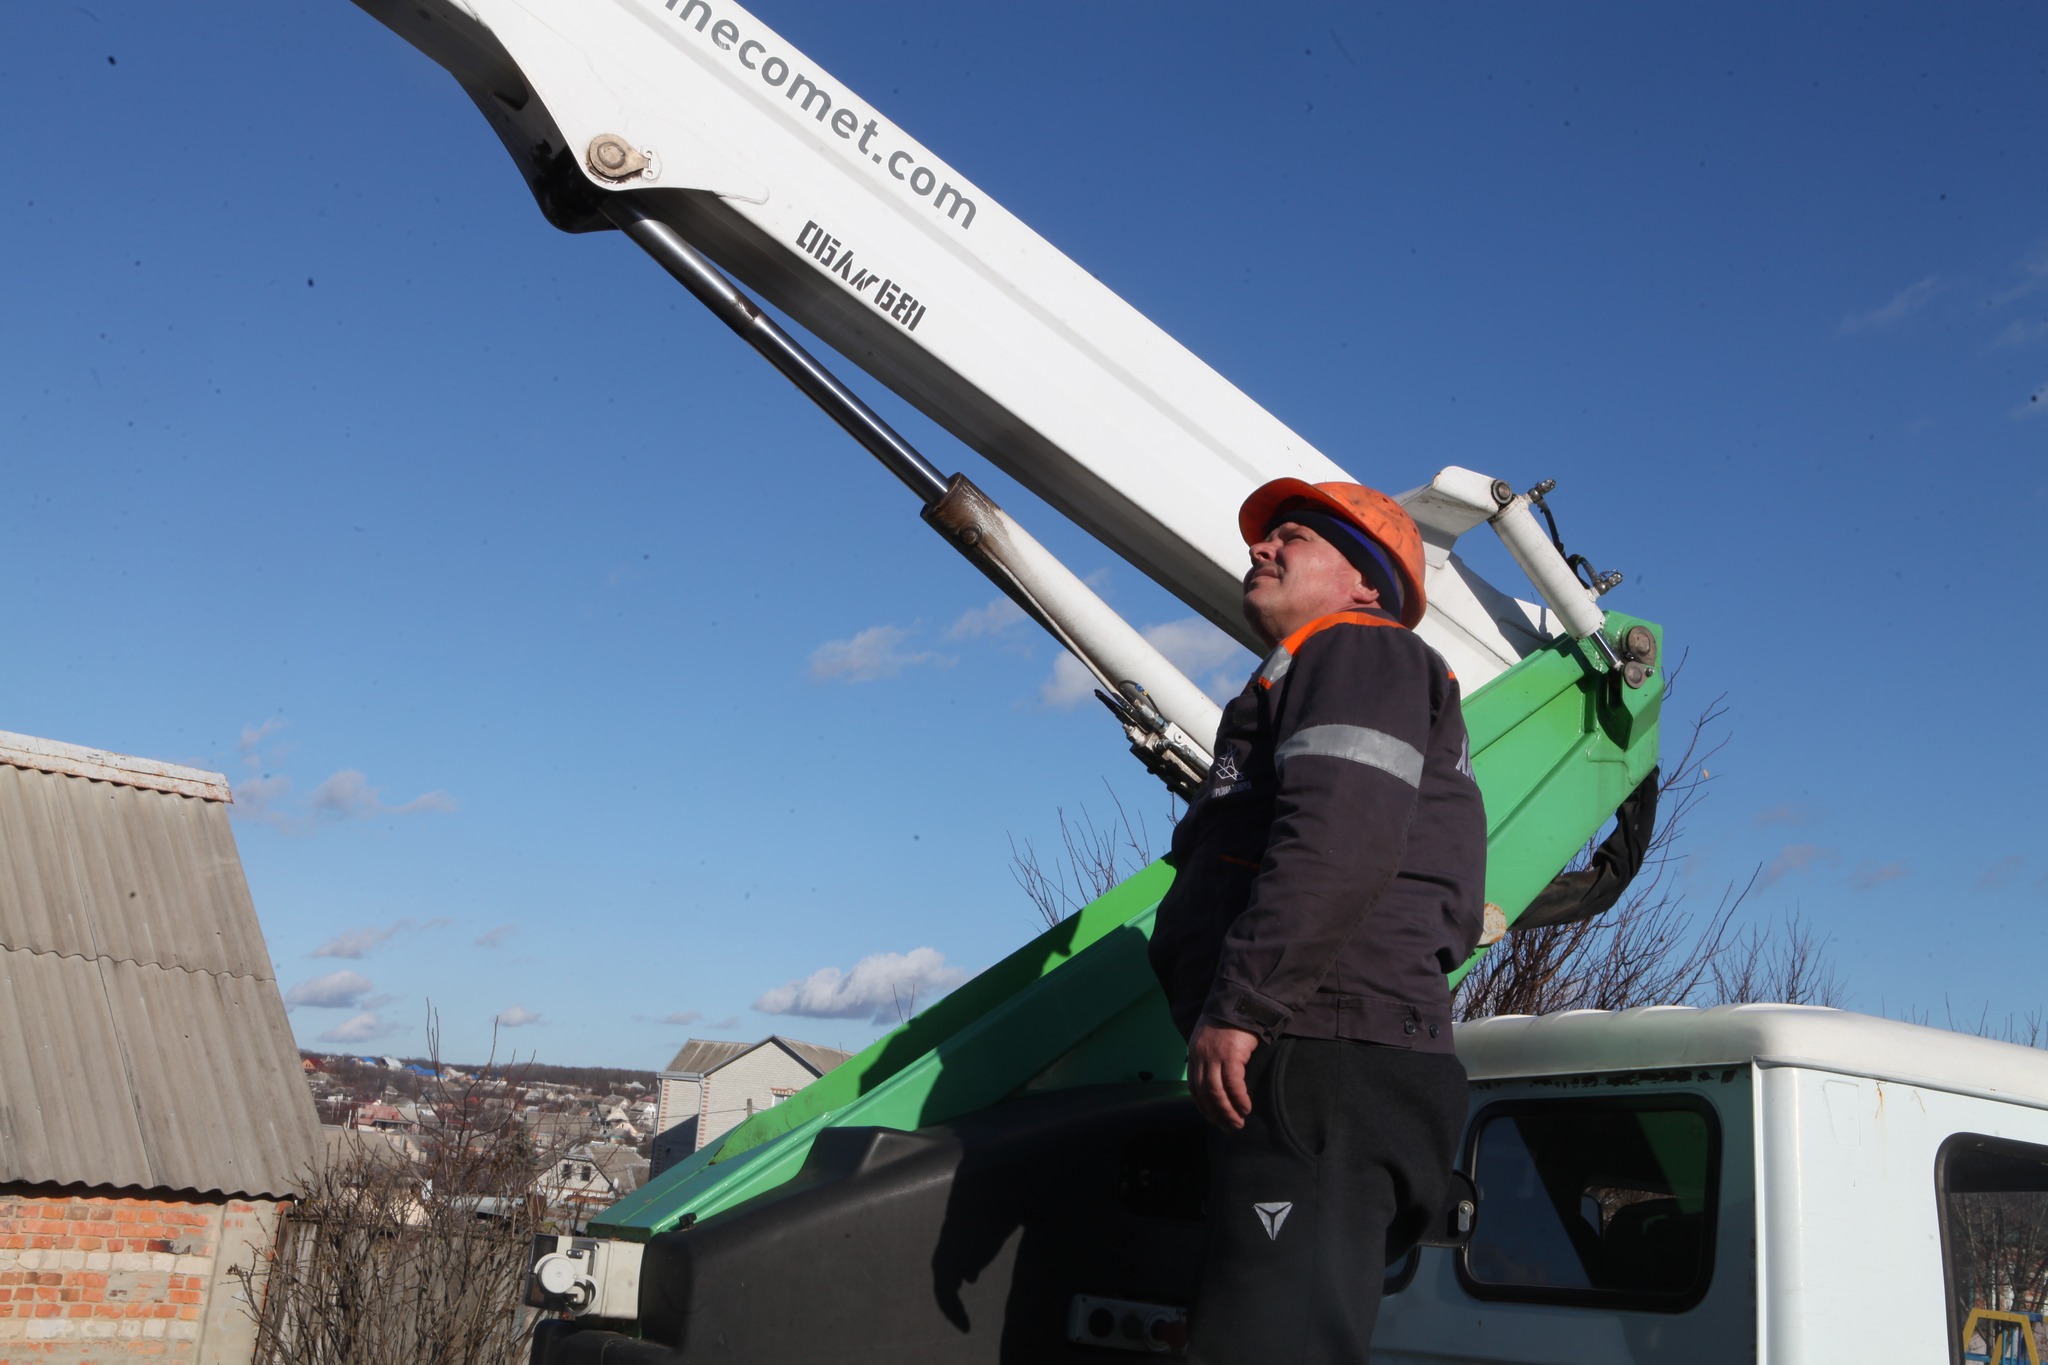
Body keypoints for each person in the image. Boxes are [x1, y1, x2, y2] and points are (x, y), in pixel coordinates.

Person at [1147, 478, 1487, 1364]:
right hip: (1327, 1056)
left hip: (1318, 1052)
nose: (1261, 548)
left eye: (1291, 537)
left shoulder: (1355, 650)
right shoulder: (1328, 669)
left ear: (1367, 585)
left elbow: (1338, 841)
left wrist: (1241, 1005)